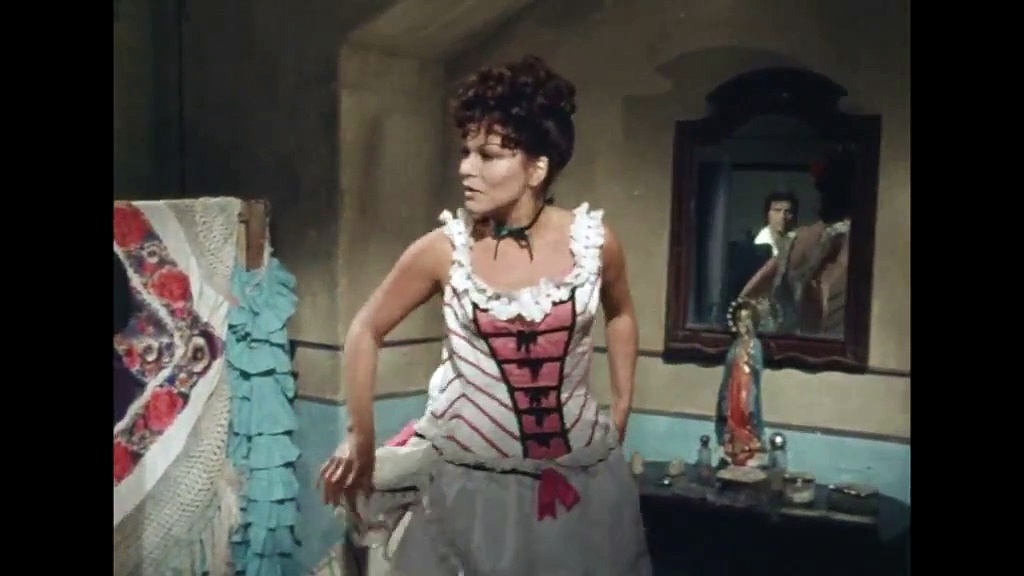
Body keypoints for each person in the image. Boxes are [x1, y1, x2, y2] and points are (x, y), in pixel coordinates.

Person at [318, 55, 651, 575]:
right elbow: (365, 328)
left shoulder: (593, 243)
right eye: (465, 152)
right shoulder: (443, 250)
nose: (465, 169)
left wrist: (623, 405)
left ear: (537, 168)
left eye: (488, 155)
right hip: (474, 483)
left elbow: (622, 313)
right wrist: (362, 436)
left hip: (580, 480)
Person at [739, 147, 855, 335]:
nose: (783, 216)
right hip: (826, 345)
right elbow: (817, 288)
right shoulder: (846, 237)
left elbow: (748, 296)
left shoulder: (797, 238)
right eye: (776, 210)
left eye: (787, 211)